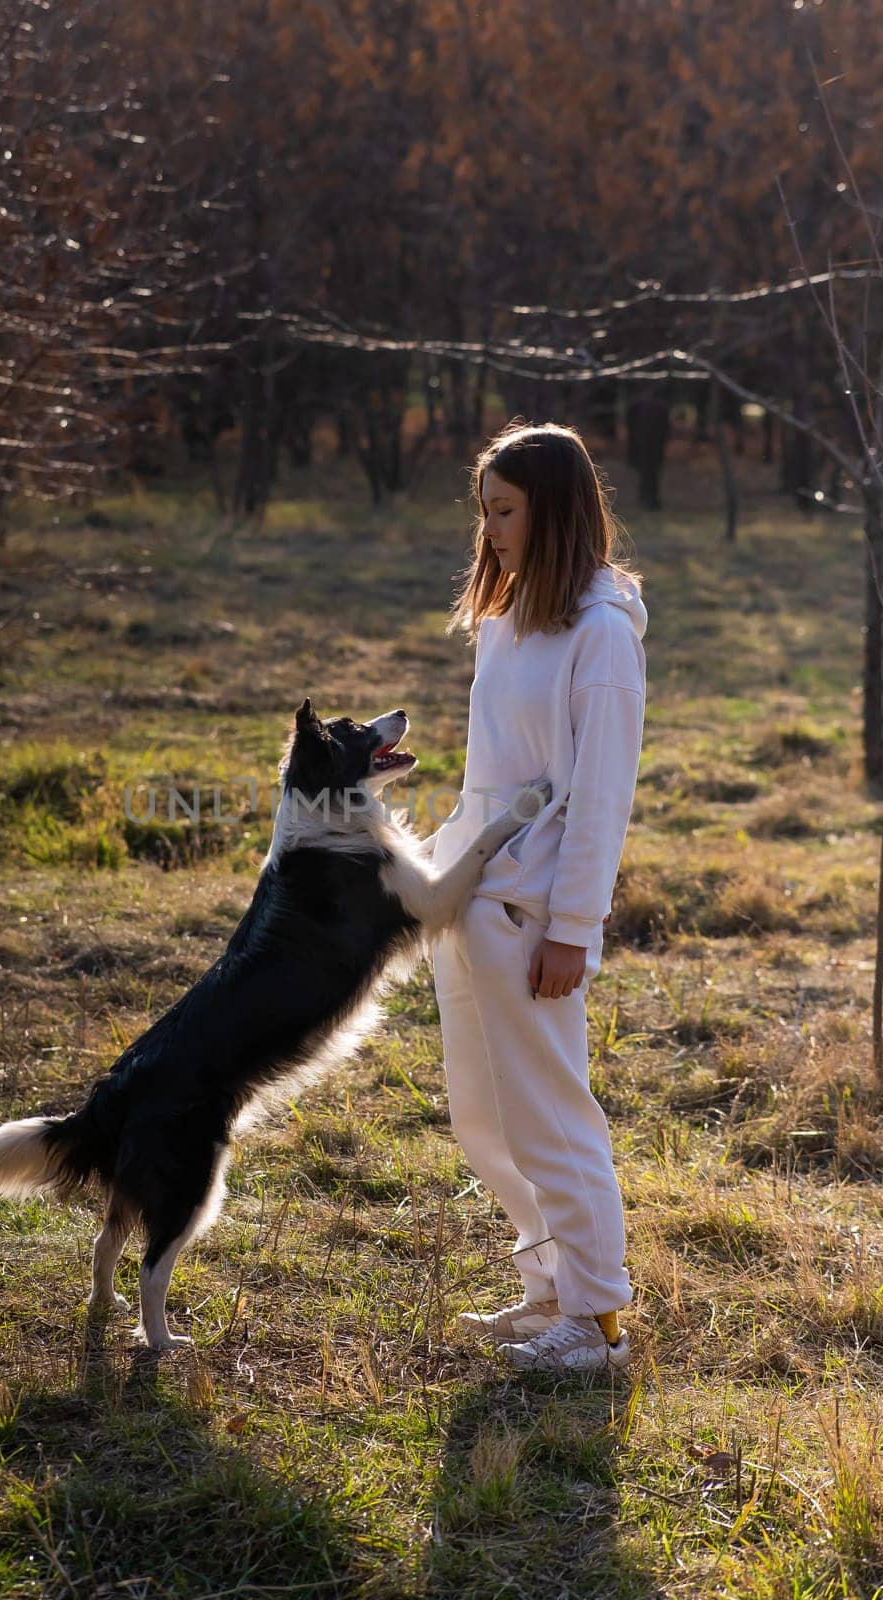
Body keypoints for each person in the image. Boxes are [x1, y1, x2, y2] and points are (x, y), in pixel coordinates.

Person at [426, 419, 647, 1373]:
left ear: (553, 510)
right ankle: (547, 1285)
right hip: (468, 901)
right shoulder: (508, 620)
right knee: (484, 1118)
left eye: (505, 511)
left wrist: (573, 929)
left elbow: (600, 800)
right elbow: (490, 775)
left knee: (553, 1118)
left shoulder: (601, 638)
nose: (490, 532)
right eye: (484, 512)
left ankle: (597, 1321)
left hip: (533, 919)